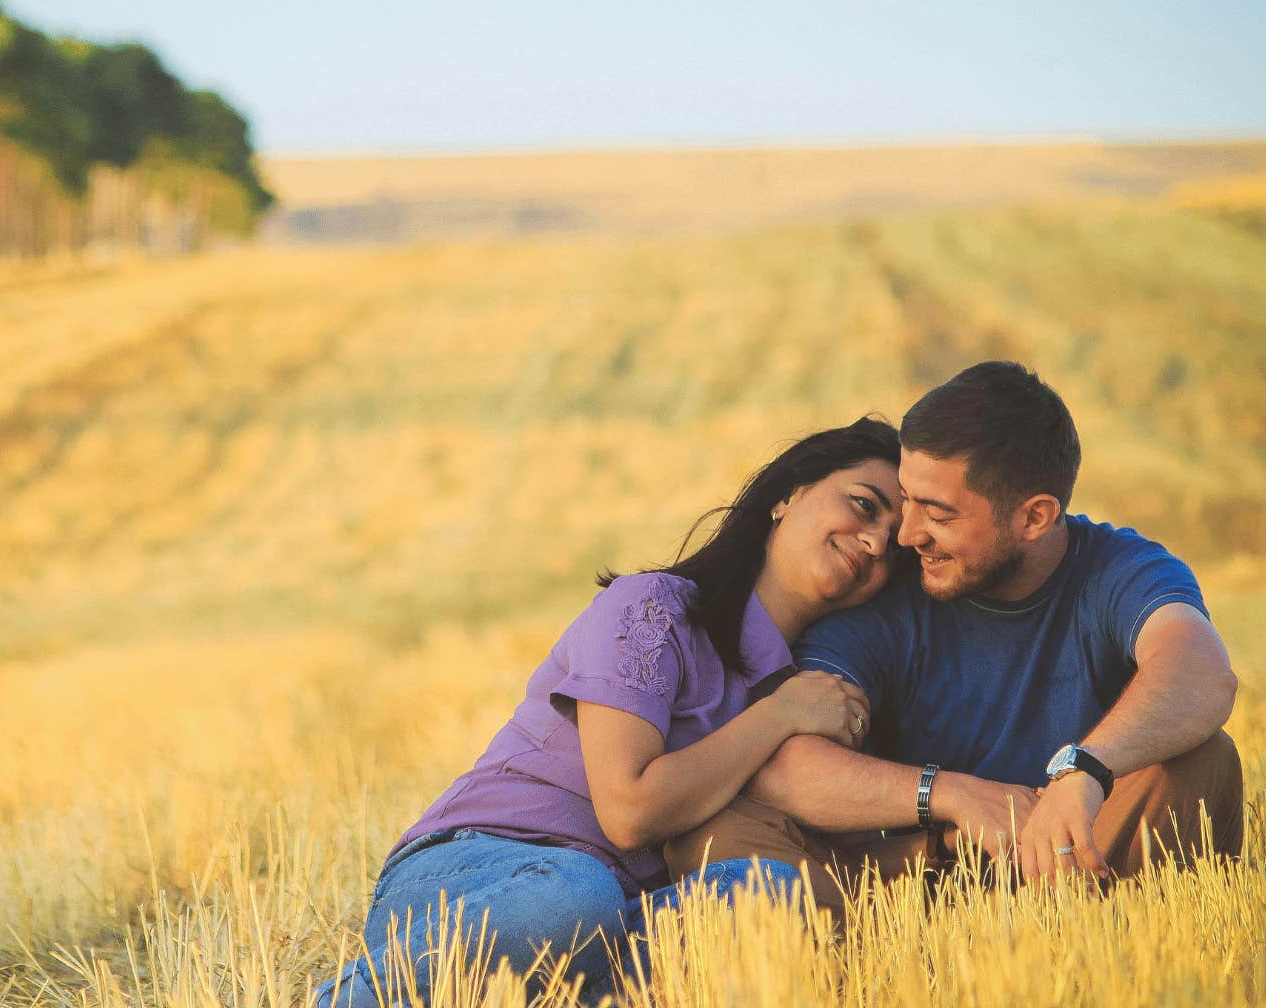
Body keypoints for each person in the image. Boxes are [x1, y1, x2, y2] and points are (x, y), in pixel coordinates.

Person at [314, 417, 910, 1006]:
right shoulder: (653, 611)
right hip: (477, 878)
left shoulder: (805, 688)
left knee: (771, 895)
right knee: (576, 896)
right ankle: (353, 996)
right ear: (790, 495)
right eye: (863, 505)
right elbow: (629, 810)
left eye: (895, 541)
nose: (876, 541)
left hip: (618, 924)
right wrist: (780, 715)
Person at [667, 362, 1243, 905]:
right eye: (906, 500)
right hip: (920, 873)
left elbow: (1202, 672)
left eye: (938, 513)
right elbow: (788, 767)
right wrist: (950, 796)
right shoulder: (886, 592)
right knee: (718, 834)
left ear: (1034, 518)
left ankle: (1062, 949)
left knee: (1202, 759)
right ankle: (881, 960)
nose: (907, 533)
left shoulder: (1120, 570)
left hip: (1070, 864)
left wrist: (1085, 770)